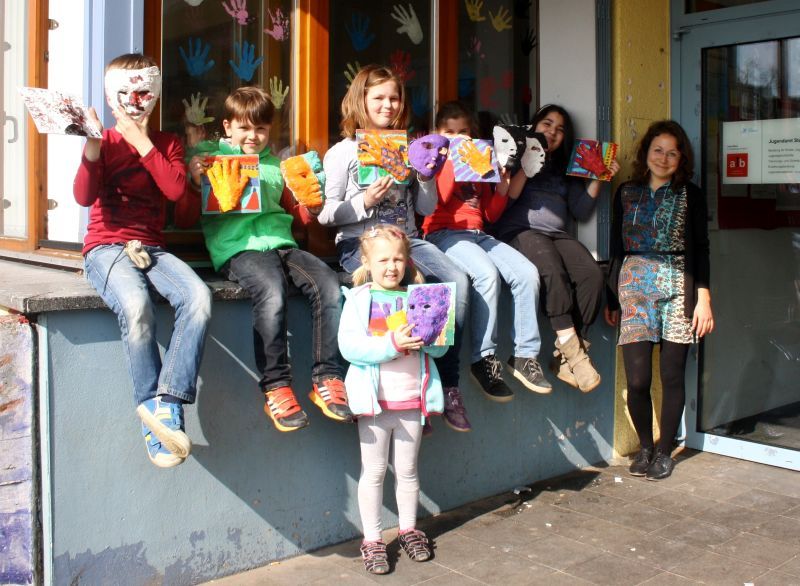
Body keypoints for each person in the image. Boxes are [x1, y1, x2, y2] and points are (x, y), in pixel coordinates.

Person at [73, 53, 212, 468]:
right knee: (136, 307)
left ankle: (167, 401)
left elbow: (173, 190)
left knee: (199, 298)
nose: (134, 100)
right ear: (111, 96)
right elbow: (83, 196)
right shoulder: (104, 140)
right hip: (106, 247)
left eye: (143, 92)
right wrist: (93, 147)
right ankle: (152, 415)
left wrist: (143, 142)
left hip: (152, 248)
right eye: (124, 92)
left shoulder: (167, 143)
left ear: (153, 95)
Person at [187, 86, 352, 433]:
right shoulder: (209, 157)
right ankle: (276, 385)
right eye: (245, 128)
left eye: (260, 129)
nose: (253, 136)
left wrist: (312, 200)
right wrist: (194, 172)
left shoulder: (277, 166)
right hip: (238, 248)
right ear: (228, 126)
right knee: (272, 292)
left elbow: (301, 213)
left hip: (281, 244)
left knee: (328, 284)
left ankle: (328, 378)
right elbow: (186, 200)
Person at [319, 64, 472, 432]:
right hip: (362, 242)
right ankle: (376, 396)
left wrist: (424, 176)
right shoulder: (342, 152)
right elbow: (325, 214)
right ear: (361, 100)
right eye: (379, 98)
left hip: (408, 240)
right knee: (387, 292)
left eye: (394, 98)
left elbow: (424, 209)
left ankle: (443, 385)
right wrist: (364, 202)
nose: (388, 105)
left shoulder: (407, 149)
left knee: (457, 283)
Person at [605, 120, 714, 480]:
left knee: (671, 375)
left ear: (681, 158)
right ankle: (645, 448)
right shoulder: (625, 192)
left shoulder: (691, 194)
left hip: (679, 285)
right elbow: (616, 248)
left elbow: (701, 248)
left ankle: (665, 450)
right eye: (658, 150)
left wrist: (703, 298)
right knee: (637, 379)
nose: (664, 158)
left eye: (672, 152)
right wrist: (612, 296)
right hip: (633, 286)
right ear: (646, 152)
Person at [423, 101, 550, 401]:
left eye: (463, 132)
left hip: (478, 234)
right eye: (449, 132)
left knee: (527, 273)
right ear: (439, 134)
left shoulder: (481, 160)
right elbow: (437, 201)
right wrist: (451, 156)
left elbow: (491, 214)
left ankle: (525, 355)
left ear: (473, 133)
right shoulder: (437, 161)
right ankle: (484, 359)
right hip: (442, 233)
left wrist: (502, 185)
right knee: (486, 273)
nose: (458, 137)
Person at [493, 104, 620, 393]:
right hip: (520, 231)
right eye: (547, 124)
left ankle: (564, 358)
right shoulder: (514, 155)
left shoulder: (565, 169)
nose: (552, 131)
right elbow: (507, 200)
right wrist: (527, 162)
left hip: (556, 234)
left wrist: (598, 178)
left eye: (560, 129)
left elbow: (581, 210)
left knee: (591, 275)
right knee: (550, 267)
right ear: (534, 125)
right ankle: (576, 357)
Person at [339, 225, 441, 575]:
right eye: (382, 259)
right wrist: (392, 345)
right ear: (366, 262)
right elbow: (350, 348)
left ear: (408, 261)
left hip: (412, 399)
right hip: (375, 403)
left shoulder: (419, 295)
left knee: (409, 471)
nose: (391, 266)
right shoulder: (359, 300)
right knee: (375, 471)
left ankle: (409, 529)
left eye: (398, 258)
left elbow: (440, 348)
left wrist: (431, 335)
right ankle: (372, 539)